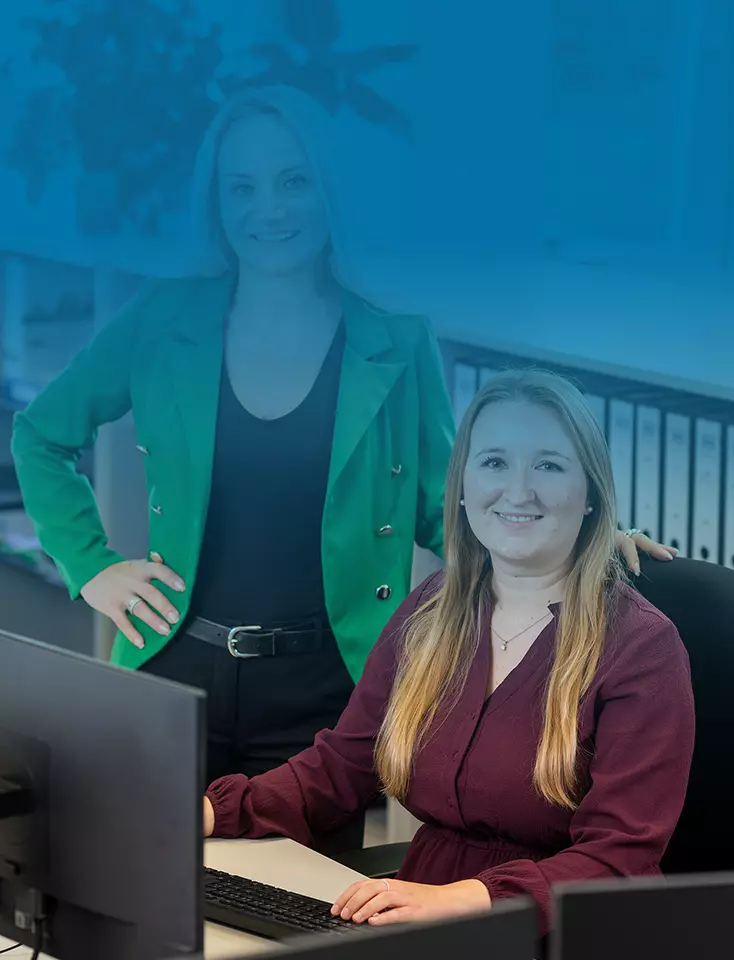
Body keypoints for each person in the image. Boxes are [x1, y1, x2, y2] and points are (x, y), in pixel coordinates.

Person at [12, 85, 673, 850]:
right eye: (242, 187)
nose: (270, 209)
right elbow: (40, 435)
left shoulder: (396, 338)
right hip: (173, 666)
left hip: (324, 695)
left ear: (329, 193)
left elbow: (449, 504)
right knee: (139, 881)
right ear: (216, 203)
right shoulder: (162, 318)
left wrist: (589, 537)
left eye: (294, 181)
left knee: (296, 918)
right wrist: (91, 565)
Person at [203, 369, 695, 935]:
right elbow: (343, 765)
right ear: (461, 486)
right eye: (493, 463)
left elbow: (621, 859)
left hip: (565, 930)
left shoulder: (641, 648)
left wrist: (467, 898)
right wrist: (216, 811)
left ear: (590, 494)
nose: (518, 490)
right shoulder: (432, 611)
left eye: (549, 466)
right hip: (424, 914)